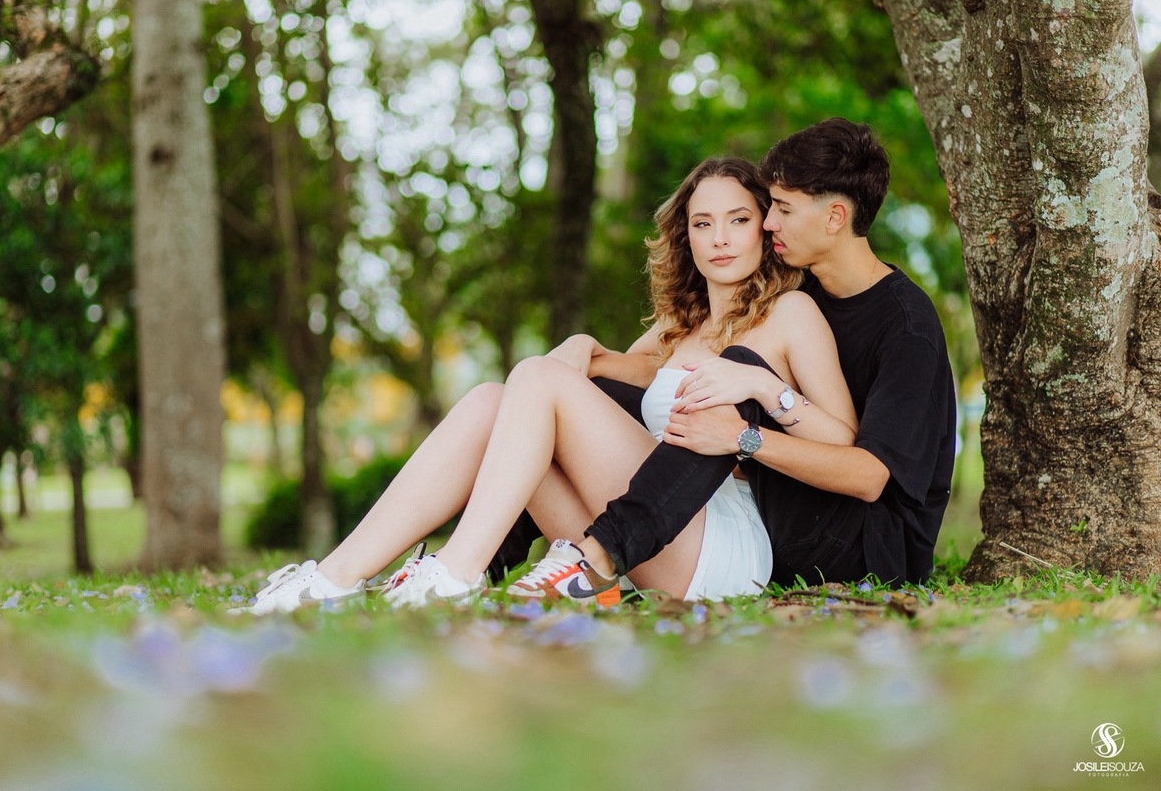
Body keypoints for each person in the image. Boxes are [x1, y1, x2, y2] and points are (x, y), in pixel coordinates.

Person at [233, 155, 859, 614]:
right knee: (490, 400)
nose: (719, 238)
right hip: (632, 536)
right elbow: (611, 377)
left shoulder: (790, 313)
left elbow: (845, 440)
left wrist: (761, 386)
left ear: (763, 229)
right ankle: (332, 579)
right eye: (702, 224)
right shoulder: (680, 323)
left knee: (532, 379)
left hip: (715, 543)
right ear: (685, 236)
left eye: (738, 219)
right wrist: (584, 347)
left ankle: (456, 572)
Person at [506, 117, 957, 600]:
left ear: (835, 218)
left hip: (868, 546)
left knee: (741, 369)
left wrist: (745, 437)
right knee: (616, 392)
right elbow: (665, 368)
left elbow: (869, 478)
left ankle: (601, 557)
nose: (768, 222)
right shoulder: (801, 286)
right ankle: (488, 559)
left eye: (781, 208)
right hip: (784, 514)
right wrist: (589, 355)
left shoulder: (906, 327)